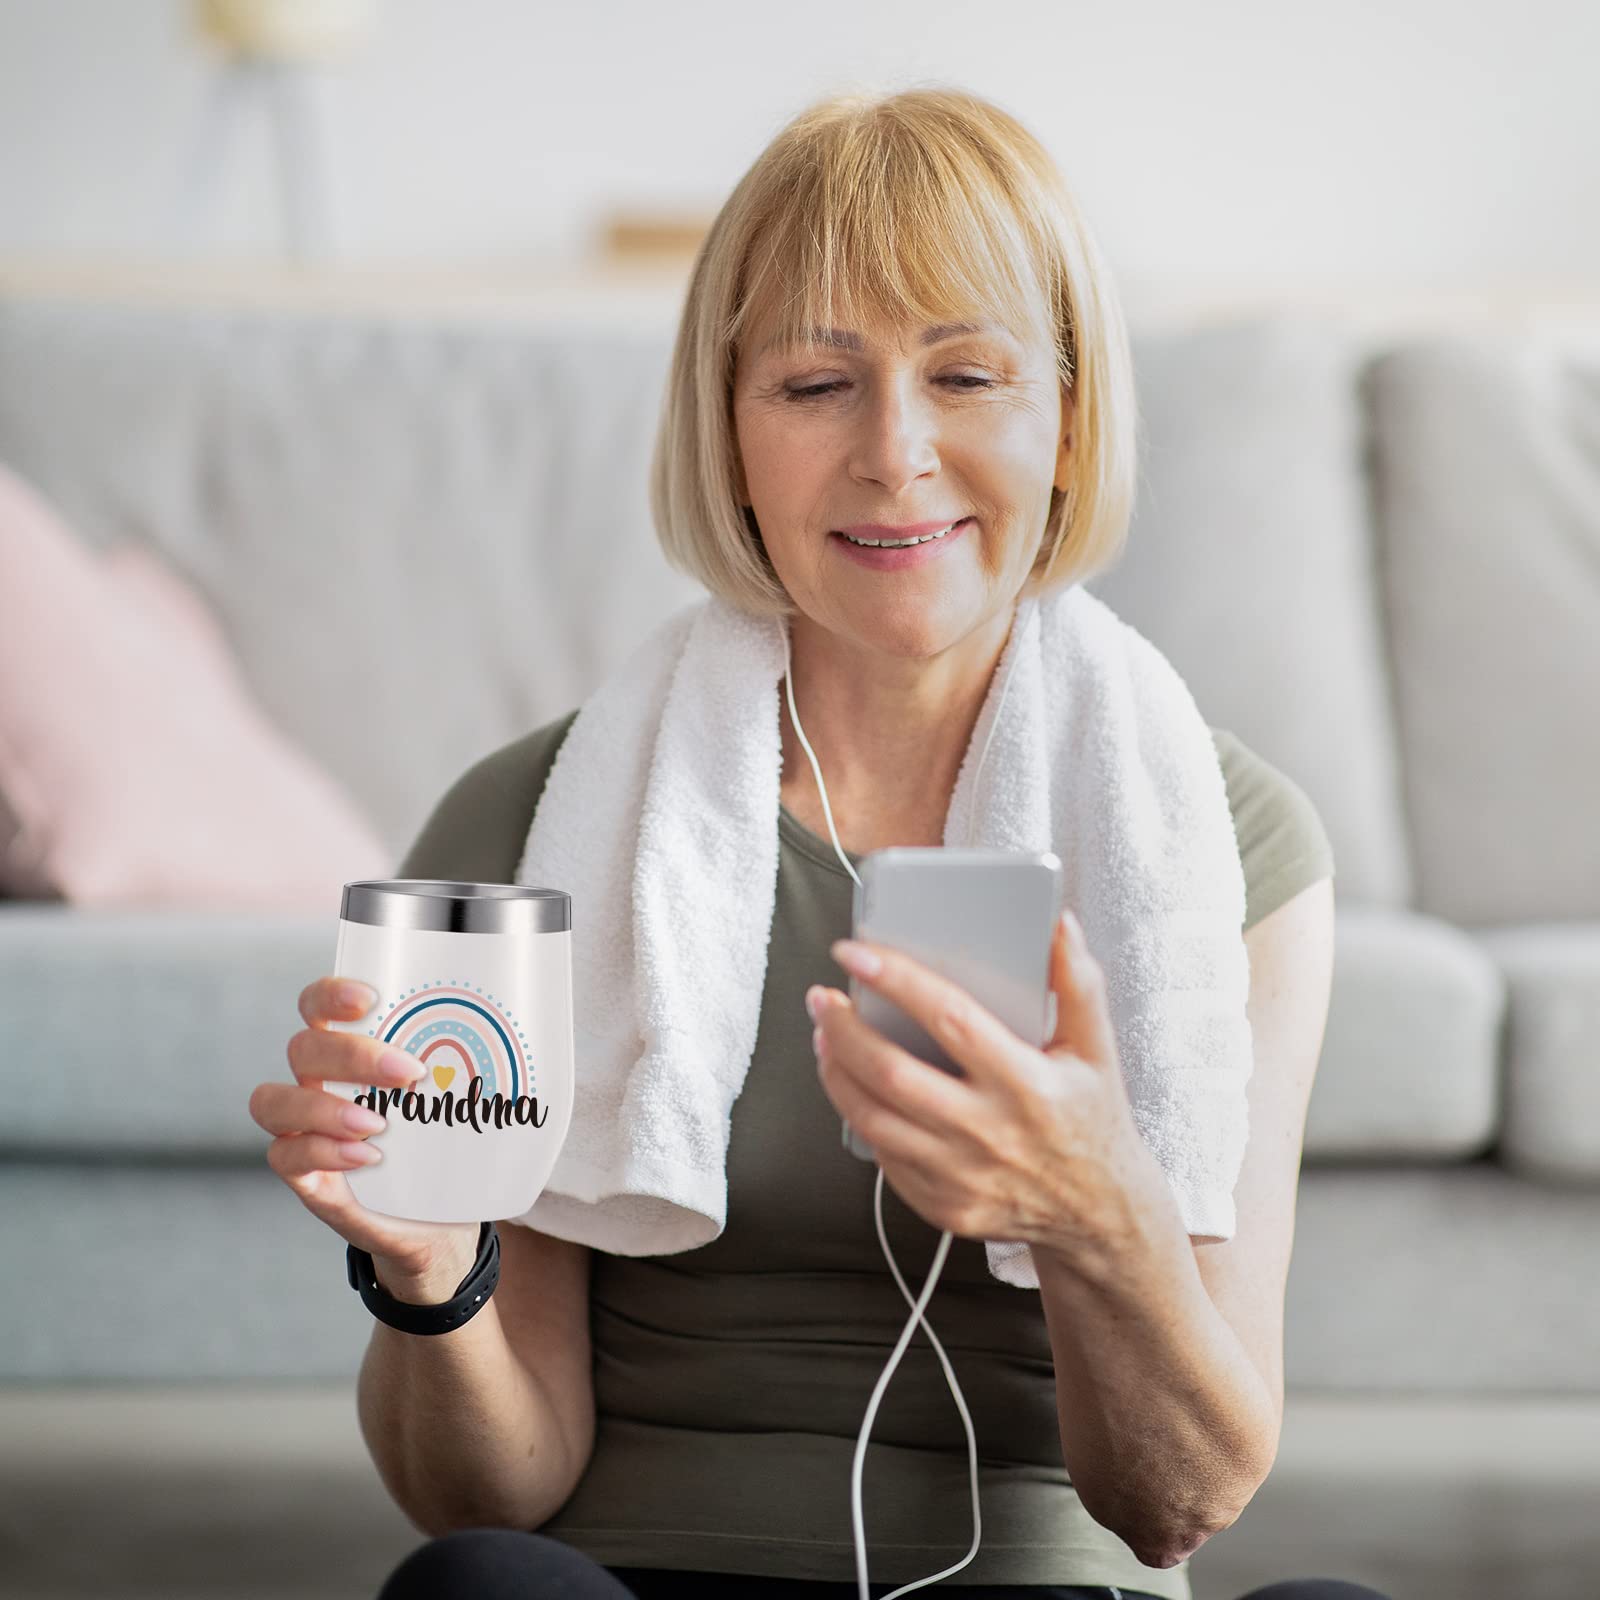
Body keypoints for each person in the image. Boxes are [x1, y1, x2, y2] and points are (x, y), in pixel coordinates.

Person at [251, 84, 1384, 1600]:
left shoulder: (1234, 847)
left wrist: (1098, 1206)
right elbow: (482, 1499)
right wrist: (431, 1272)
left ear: (1068, 424)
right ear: (728, 436)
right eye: (813, 386)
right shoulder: (524, 832)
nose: (895, 454)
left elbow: (1181, 1503)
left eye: (967, 376)